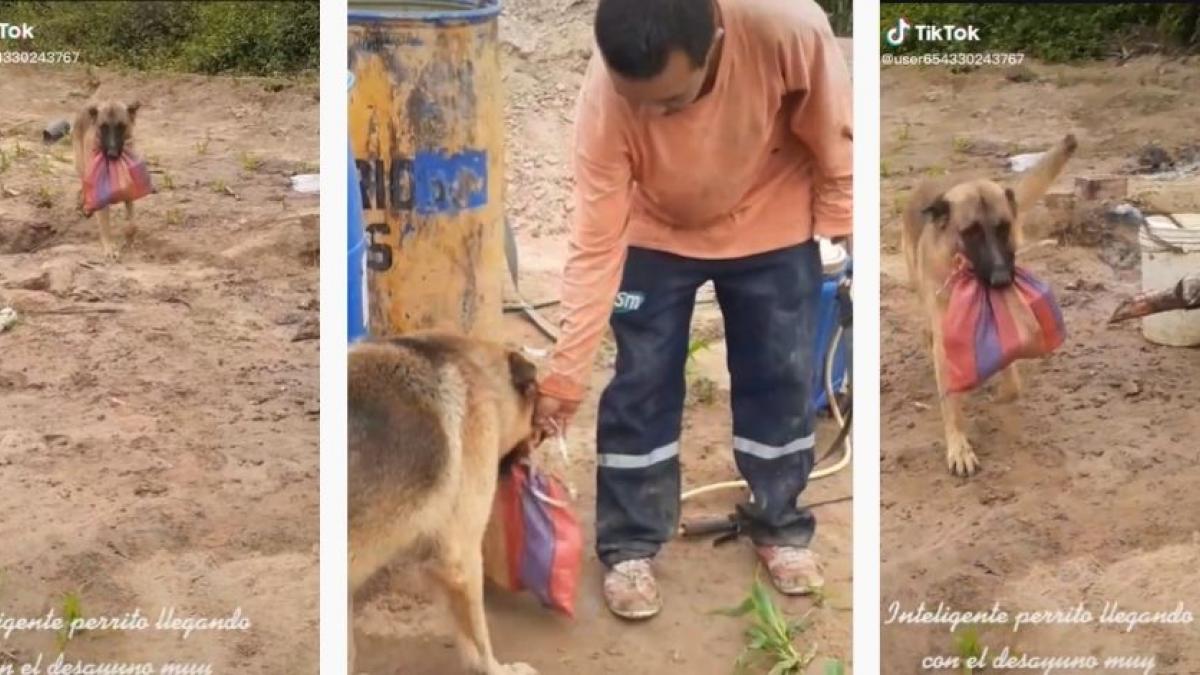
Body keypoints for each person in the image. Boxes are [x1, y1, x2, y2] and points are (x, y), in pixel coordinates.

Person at [532, 0, 852, 620]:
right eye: (640, 104)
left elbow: (834, 132)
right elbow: (596, 241)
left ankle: (780, 525)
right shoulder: (606, 97)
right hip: (655, 230)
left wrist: (846, 230)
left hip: (772, 210)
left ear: (717, 41)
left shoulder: (785, 25)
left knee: (778, 379)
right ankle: (629, 543)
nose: (654, 117)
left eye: (671, 102)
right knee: (641, 383)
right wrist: (565, 372)